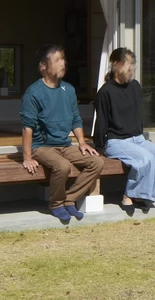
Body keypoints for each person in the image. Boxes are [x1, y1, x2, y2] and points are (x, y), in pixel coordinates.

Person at [21, 44, 103, 224]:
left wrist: (82, 142)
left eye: (63, 59)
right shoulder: (33, 93)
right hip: (41, 146)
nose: (63, 63)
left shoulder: (69, 90)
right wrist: (27, 156)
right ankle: (56, 204)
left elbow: (75, 118)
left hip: (64, 144)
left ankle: (70, 199)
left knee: (96, 162)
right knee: (63, 166)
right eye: (57, 60)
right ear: (43, 66)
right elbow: (27, 128)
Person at [93, 47, 155, 210]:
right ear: (115, 64)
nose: (131, 69)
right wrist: (100, 146)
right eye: (127, 64)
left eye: (133, 65)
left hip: (138, 139)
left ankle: (146, 195)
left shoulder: (135, 86)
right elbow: (101, 121)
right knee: (145, 159)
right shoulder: (105, 92)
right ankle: (129, 195)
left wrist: (141, 137)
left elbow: (137, 116)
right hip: (116, 141)